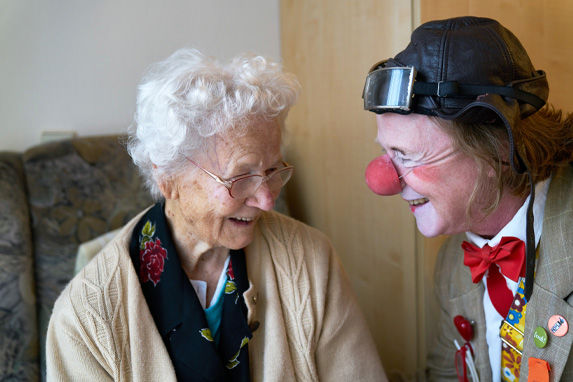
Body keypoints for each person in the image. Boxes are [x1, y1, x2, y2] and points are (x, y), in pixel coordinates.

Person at [46, 47, 387, 381]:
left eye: (272, 171)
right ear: (169, 179)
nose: (267, 200)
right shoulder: (85, 317)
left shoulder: (311, 262)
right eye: (241, 177)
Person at [362, 16, 573, 381]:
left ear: (496, 152)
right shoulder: (452, 266)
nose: (385, 181)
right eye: (387, 152)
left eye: (407, 155)